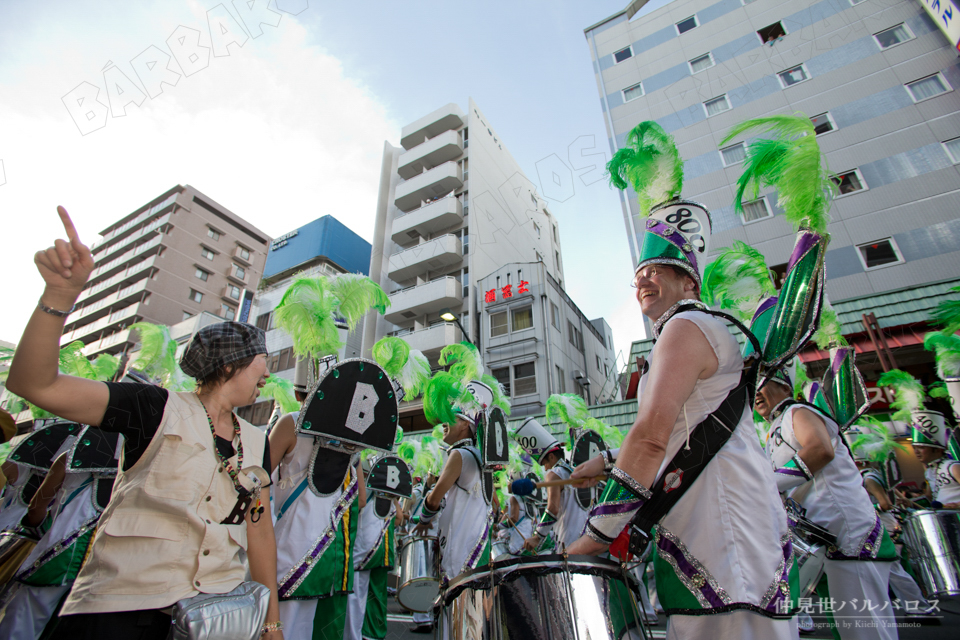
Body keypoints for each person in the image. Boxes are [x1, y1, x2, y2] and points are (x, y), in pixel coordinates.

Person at [5, 207, 282, 640]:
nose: (267, 377)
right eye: (262, 365)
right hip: (118, 612)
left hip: (215, 616)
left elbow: (260, 531)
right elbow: (34, 384)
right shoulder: (151, 406)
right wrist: (60, 295)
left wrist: (271, 625)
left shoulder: (256, 439)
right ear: (231, 365)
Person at [567, 221, 796, 638]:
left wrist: (598, 534)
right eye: (637, 278)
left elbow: (654, 438)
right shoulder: (690, 330)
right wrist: (606, 460)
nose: (643, 283)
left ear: (689, 281)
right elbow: (679, 431)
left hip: (723, 542)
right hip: (723, 537)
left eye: (656, 271)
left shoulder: (685, 326)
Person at [757, 375, 898, 640]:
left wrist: (766, 486)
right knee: (844, 630)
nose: (756, 391)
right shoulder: (772, 429)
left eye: (762, 382)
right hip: (821, 541)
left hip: (849, 536)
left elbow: (821, 450)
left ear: (786, 386)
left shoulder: (798, 411)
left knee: (866, 631)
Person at [269, 361, 365, 640]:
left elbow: (258, 481)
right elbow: (360, 499)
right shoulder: (354, 440)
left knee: (284, 630)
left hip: (291, 552)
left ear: (302, 393)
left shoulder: (292, 422)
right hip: (332, 555)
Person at [413, 381, 494, 583]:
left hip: (461, 550)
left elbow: (434, 499)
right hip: (478, 544)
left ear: (466, 424)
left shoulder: (459, 454)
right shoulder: (479, 457)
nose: (444, 423)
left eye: (452, 418)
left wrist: (423, 520)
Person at [512, 418, 586, 553]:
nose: (545, 469)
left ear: (551, 457)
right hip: (587, 539)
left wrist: (537, 537)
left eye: (544, 463)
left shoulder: (555, 473)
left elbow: (553, 508)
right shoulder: (578, 471)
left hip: (568, 542)